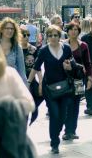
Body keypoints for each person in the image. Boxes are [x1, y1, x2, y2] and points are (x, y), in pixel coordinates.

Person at [27, 25, 73, 154]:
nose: (53, 38)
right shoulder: (44, 50)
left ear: (60, 36)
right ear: (47, 37)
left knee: (63, 116)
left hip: (64, 87)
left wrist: (69, 67)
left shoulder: (67, 49)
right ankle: (54, 143)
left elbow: (72, 63)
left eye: (56, 35)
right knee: (54, 114)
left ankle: (55, 134)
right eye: (51, 35)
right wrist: (29, 82)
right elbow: (36, 67)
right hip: (49, 88)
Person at [62, 22, 92, 140]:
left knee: (75, 105)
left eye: (76, 29)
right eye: (71, 29)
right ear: (67, 31)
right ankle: (66, 130)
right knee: (66, 105)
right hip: (65, 79)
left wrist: (90, 78)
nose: (73, 31)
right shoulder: (63, 45)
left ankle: (72, 130)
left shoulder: (83, 45)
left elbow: (88, 63)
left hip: (78, 80)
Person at [20, 25, 43, 125]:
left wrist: (41, 81)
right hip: (19, 81)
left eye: (28, 35)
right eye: (23, 35)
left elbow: (37, 67)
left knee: (37, 99)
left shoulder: (33, 49)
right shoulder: (16, 49)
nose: (26, 37)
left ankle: (33, 113)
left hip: (31, 80)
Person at [0, 17, 27, 85]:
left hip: (12, 85)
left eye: (12, 29)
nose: (10, 31)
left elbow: (22, 71)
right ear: (2, 30)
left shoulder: (17, 47)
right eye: (7, 28)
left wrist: (25, 87)